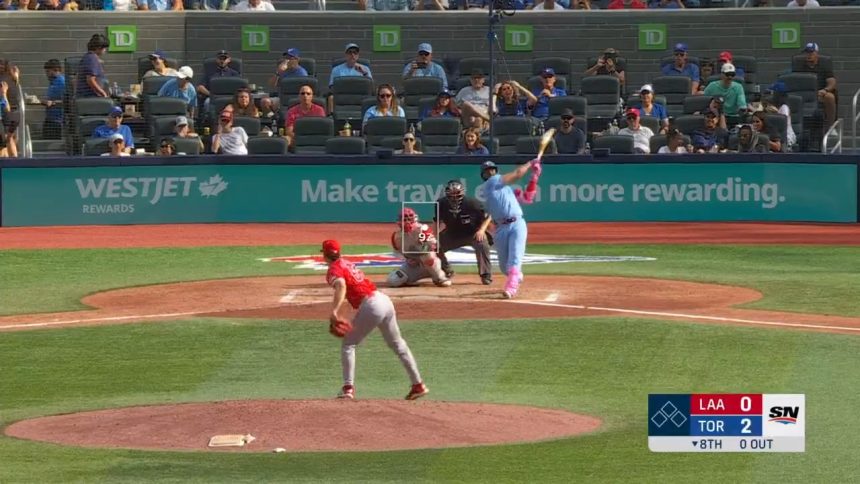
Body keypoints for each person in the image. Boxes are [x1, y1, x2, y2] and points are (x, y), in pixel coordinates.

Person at [322, 239, 429, 401]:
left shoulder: (334, 269)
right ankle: (418, 384)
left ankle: (348, 388)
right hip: (384, 300)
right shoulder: (346, 263)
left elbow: (341, 286)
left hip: (371, 305)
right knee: (398, 344)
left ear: (324, 254)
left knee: (348, 344)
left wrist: (335, 311)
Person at [479, 159, 540, 299]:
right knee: (504, 267)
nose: (491, 172)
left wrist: (534, 178)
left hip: (517, 224)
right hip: (500, 228)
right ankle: (515, 275)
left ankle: (511, 288)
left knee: (515, 258)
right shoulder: (490, 184)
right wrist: (530, 164)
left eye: (493, 170)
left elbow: (527, 198)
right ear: (484, 175)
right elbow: (518, 173)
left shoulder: (506, 188)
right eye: (488, 171)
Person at [434, 180, 493, 285]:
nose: (454, 197)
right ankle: (447, 270)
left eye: (457, 194)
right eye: (452, 194)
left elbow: (488, 216)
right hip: (452, 234)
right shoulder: (441, 204)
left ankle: (486, 274)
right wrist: (435, 238)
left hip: (472, 233)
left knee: (482, 242)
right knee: (433, 245)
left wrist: (481, 230)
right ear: (447, 193)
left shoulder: (472, 203)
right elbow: (437, 221)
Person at [386, 208, 452, 288]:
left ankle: (440, 277)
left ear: (415, 219)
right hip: (413, 265)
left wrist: (423, 246)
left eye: (409, 219)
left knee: (427, 255)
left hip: (430, 263)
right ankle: (409, 280)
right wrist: (406, 259)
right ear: (399, 221)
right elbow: (396, 252)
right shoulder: (396, 236)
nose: (407, 222)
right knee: (393, 280)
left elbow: (434, 246)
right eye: (405, 220)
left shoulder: (422, 229)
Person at [76, 34, 109, 98]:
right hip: (91, 97)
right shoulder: (92, 59)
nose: (105, 50)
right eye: (104, 48)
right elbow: (90, 80)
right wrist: (102, 92)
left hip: (84, 97)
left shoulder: (87, 57)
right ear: (99, 48)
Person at [41, 59, 65, 140]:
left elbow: (68, 101)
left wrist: (53, 102)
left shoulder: (62, 82)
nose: (46, 74)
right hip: (50, 118)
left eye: (48, 72)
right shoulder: (52, 82)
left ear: (56, 70)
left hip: (58, 120)